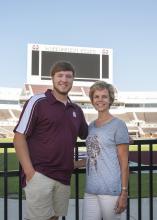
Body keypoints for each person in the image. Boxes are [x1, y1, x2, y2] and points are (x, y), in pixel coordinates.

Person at [13, 61, 88, 220]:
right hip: (40, 175)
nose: (64, 79)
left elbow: (88, 134)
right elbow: (19, 137)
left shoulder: (76, 110)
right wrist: (30, 173)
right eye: (60, 75)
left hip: (63, 177)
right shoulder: (38, 101)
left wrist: (117, 132)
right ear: (52, 78)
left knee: (54, 218)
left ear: (73, 80)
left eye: (68, 76)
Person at [76, 81, 130, 220]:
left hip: (111, 191)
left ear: (110, 99)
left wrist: (124, 192)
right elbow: (95, 156)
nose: (100, 100)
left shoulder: (118, 124)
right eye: (97, 96)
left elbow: (124, 163)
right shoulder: (91, 126)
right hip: (91, 189)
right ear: (92, 100)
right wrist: (74, 164)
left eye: (104, 96)